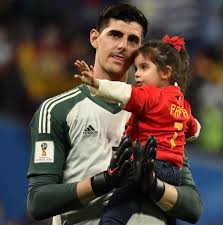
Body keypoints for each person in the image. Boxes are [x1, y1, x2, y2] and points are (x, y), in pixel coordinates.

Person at [27, 3, 203, 225]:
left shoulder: (160, 112)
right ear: (94, 38)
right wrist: (104, 181)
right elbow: (38, 202)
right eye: (115, 35)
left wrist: (153, 185)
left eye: (133, 40)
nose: (122, 46)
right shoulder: (57, 110)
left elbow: (193, 207)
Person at [74, 34, 201, 225]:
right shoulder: (183, 104)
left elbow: (124, 93)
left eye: (144, 67)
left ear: (165, 73)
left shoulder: (150, 96)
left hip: (146, 166)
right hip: (173, 174)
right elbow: (194, 129)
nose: (137, 74)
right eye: (136, 69)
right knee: (167, 215)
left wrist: (97, 84)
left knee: (115, 212)